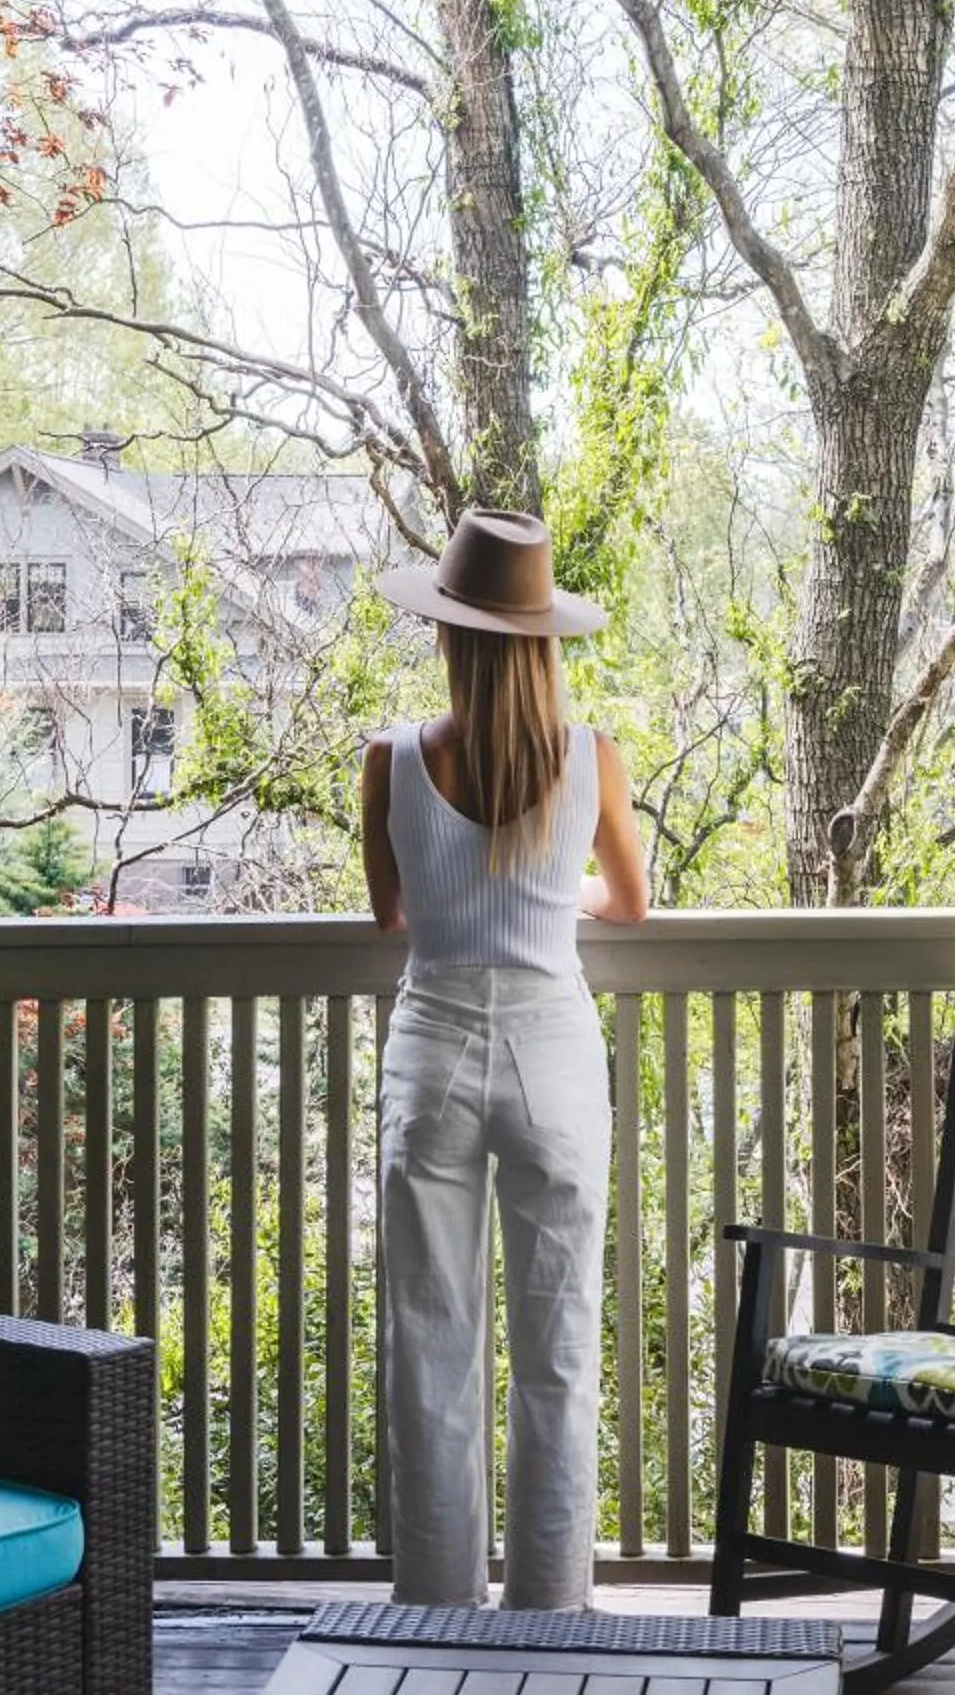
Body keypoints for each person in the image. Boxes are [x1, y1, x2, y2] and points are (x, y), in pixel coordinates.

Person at [363, 508, 650, 1610]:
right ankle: (551, 1617)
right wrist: (554, 896)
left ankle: (437, 1617)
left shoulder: (389, 759)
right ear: (541, 642)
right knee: (558, 1349)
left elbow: (394, 912)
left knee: (431, 1347)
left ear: (449, 635)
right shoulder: (590, 758)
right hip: (553, 1050)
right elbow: (627, 901)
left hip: (432, 1042)